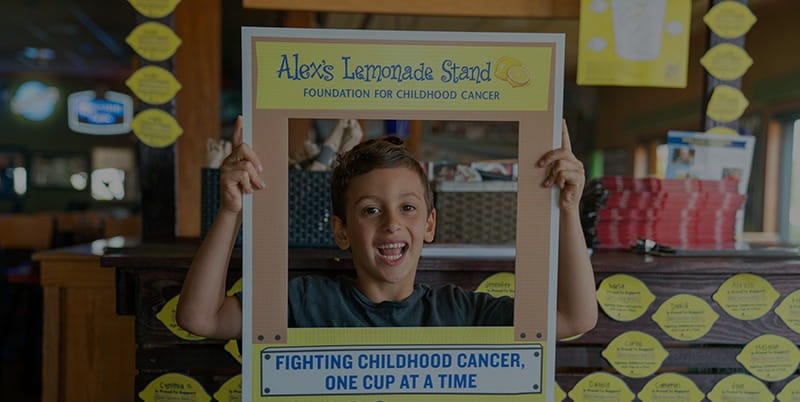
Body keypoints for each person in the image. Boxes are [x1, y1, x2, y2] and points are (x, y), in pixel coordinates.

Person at [176, 117, 597, 340]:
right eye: (371, 211)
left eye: (408, 208)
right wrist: (231, 210)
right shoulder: (303, 302)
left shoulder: (462, 313)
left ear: (429, 225)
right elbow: (200, 319)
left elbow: (575, 317)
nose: (393, 223)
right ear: (341, 232)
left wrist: (566, 209)